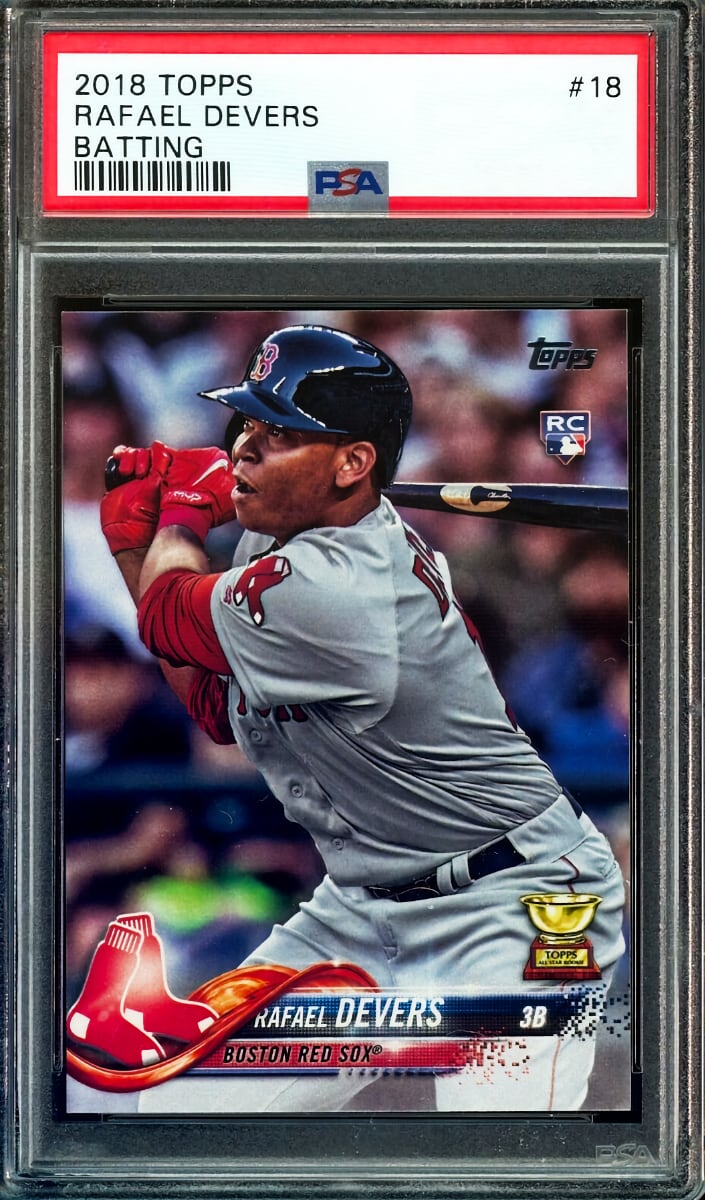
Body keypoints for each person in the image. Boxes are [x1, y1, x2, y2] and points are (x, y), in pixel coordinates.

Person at [97, 324, 626, 1113]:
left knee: (496, 1153)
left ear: (352, 464)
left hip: (518, 902)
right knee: (186, 1106)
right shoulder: (270, 547)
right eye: (248, 424)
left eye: (279, 434)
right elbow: (213, 704)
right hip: (360, 909)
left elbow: (171, 611)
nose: (244, 446)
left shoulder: (339, 581)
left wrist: (176, 515)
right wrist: (137, 548)